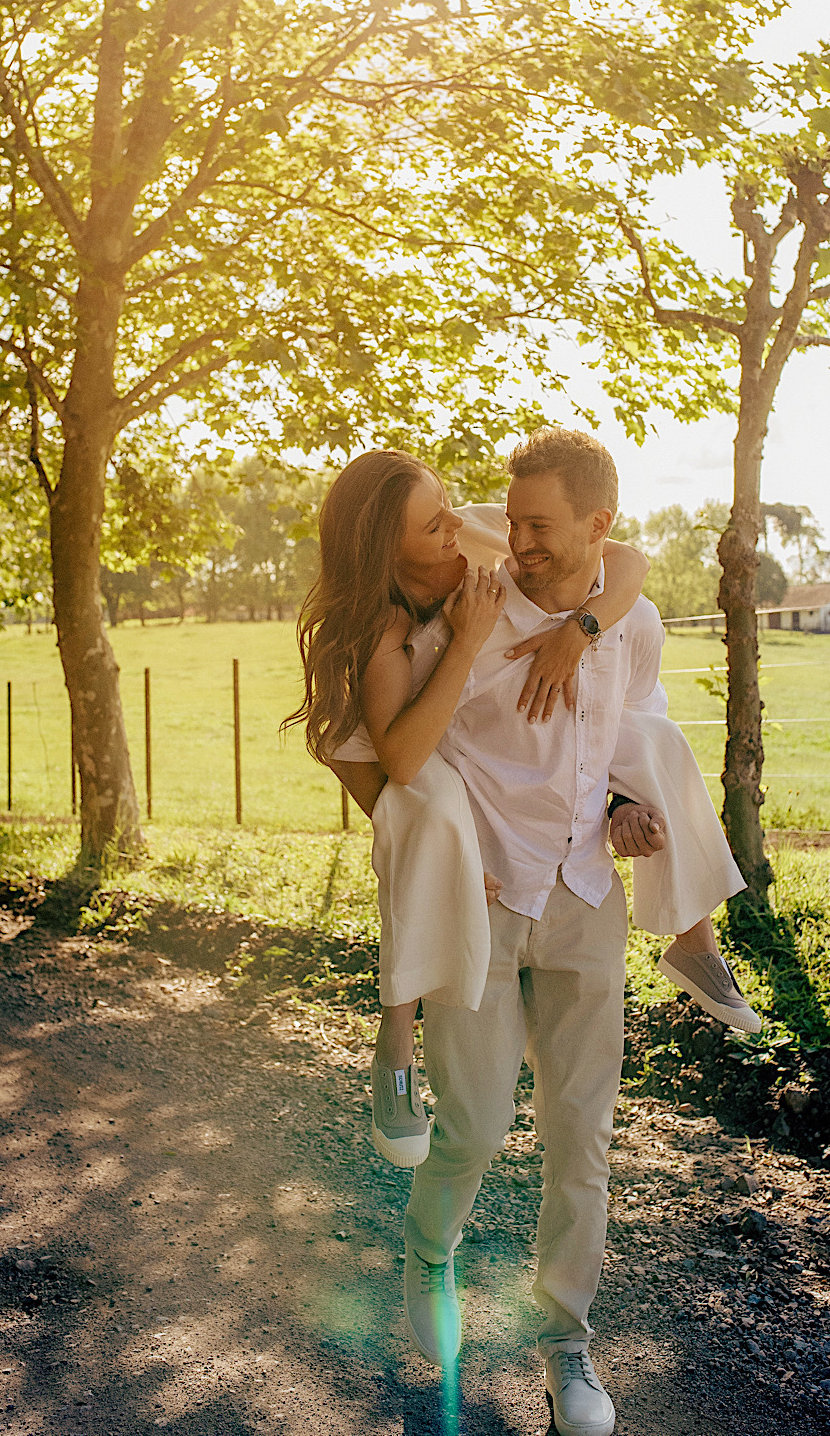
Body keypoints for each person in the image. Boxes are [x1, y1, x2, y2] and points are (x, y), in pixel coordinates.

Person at [395, 428, 754, 1436]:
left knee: (580, 1141)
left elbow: (630, 738)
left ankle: (566, 1344)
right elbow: (416, 751)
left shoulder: (629, 626)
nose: (520, 542)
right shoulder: (474, 607)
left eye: (541, 525)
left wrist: (627, 814)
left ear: (599, 525)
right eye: (512, 522)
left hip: (588, 899)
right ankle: (429, 1250)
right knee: (470, 1125)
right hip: (486, 899)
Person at [287, 449, 652, 1167]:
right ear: (387, 552)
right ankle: (395, 1036)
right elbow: (398, 762)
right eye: (432, 525)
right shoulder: (381, 630)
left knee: (439, 824)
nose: (457, 523)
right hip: (385, 755)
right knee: (422, 821)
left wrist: (581, 629)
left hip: (438, 751)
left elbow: (630, 562)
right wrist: (469, 640)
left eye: (445, 503)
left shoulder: (482, 534)